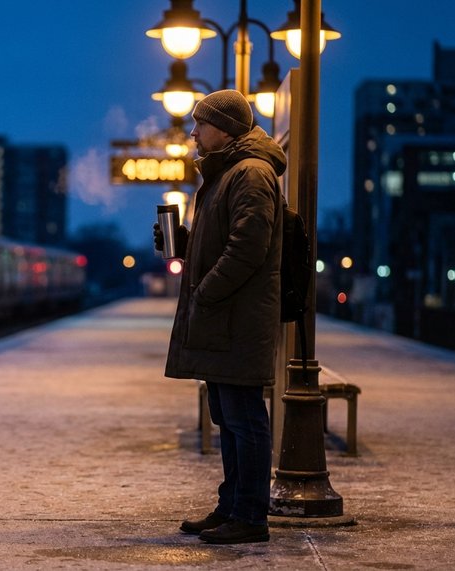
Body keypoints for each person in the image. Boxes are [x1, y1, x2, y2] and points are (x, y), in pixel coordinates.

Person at [153, 89, 286, 544]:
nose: (193, 133)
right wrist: (185, 243)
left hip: (236, 318)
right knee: (227, 416)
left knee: (244, 418)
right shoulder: (229, 173)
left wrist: (205, 293)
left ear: (225, 128)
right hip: (226, 318)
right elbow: (228, 242)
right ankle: (231, 505)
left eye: (200, 124)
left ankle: (250, 517)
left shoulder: (250, 173)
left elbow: (249, 247)